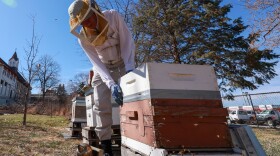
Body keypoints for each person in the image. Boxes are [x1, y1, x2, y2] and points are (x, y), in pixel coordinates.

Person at [68, 0, 135, 155]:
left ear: (95, 10)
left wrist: (130, 69)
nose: (89, 23)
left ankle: (133, 139)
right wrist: (111, 83)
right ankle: (107, 149)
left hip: (123, 62)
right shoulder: (82, 39)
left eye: (89, 18)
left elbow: (127, 43)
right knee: (100, 104)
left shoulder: (113, 16)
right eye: (84, 22)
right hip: (102, 67)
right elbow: (96, 62)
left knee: (132, 98)